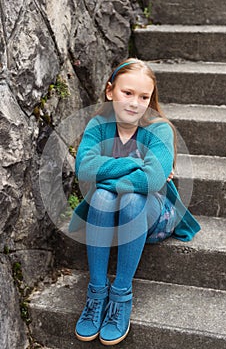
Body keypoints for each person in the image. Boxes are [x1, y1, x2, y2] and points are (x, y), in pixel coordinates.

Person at [68, 58, 201, 346]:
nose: (135, 103)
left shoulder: (159, 129)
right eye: (127, 93)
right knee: (102, 196)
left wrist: (111, 169)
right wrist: (135, 165)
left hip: (152, 215)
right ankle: (96, 293)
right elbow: (84, 169)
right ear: (110, 92)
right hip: (107, 215)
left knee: (129, 198)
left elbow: (153, 182)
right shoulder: (98, 125)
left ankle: (121, 296)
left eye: (144, 97)